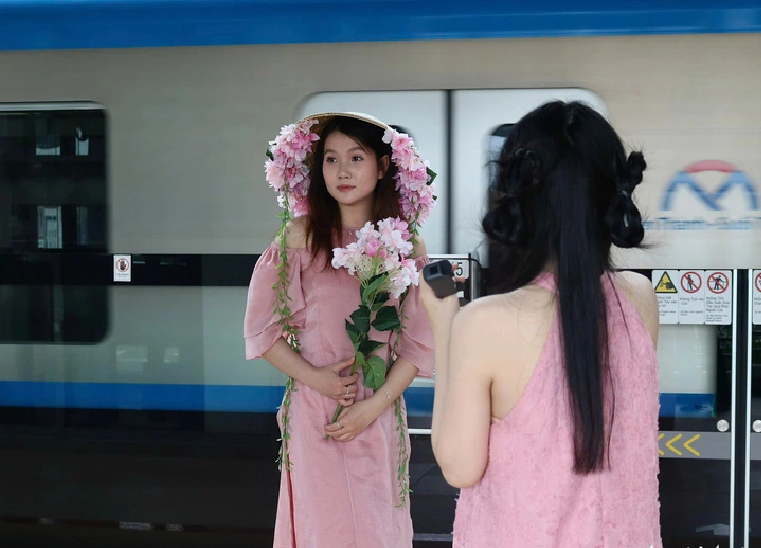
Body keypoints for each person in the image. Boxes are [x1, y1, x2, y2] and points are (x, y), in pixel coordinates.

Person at [419, 101, 662, 547]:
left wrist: (445, 325)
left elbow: (458, 466)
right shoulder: (639, 300)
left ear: (519, 200)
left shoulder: (484, 323)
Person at [243, 112, 435, 548]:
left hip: (378, 414)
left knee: (375, 530)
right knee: (322, 531)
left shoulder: (408, 246)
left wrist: (375, 406)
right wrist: (319, 380)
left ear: (383, 166)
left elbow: (419, 343)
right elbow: (263, 330)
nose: (342, 171)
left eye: (356, 157)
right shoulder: (298, 237)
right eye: (330, 159)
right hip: (315, 416)